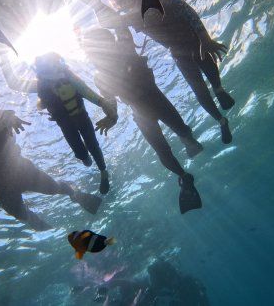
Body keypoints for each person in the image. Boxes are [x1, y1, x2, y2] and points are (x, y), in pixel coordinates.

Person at [0, 51, 102, 231]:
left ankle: (74, 194)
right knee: (20, 214)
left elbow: (3, 118)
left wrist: (9, 117)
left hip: (21, 169)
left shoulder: (0, 116)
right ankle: (43, 225)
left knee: (55, 188)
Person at [81, 28, 203, 214]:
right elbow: (111, 101)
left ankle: (184, 171)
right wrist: (112, 118)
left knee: (166, 148)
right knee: (176, 137)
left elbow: (111, 101)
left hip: (144, 110)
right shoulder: (116, 58)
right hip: (153, 104)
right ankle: (186, 162)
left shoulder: (110, 65)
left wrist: (112, 117)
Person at [103, 0, 234, 144]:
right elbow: (109, 22)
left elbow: (184, 8)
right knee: (199, 90)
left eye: (121, 1)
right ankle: (221, 120)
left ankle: (218, 89)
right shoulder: (131, 16)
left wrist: (205, 37)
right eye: (119, 4)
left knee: (207, 65)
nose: (123, 5)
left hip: (192, 37)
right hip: (178, 51)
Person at [0, 52, 116, 194]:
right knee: (82, 155)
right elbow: (15, 83)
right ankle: (87, 159)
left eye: (54, 65)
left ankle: (103, 172)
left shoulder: (71, 80)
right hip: (66, 125)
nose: (53, 71)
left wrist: (106, 107)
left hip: (81, 118)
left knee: (93, 145)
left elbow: (91, 94)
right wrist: (3, 57)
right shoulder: (41, 86)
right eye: (48, 67)